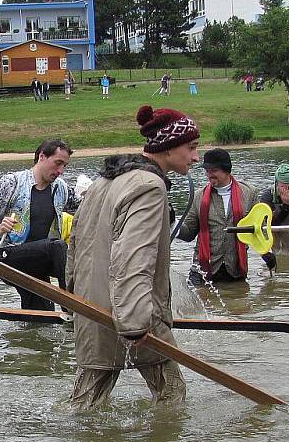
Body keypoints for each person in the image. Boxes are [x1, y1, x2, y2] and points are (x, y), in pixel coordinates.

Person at [66, 105, 199, 409]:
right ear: (167, 147)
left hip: (92, 309)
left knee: (84, 406)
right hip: (132, 317)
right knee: (172, 396)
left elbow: (75, 244)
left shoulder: (104, 182)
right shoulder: (149, 187)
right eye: (190, 147)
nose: (195, 157)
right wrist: (137, 323)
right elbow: (132, 259)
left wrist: (73, 301)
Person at [0, 139, 72, 310]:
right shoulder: (12, 183)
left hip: (41, 260)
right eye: (58, 163)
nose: (60, 171)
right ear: (42, 157)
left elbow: (86, 206)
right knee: (59, 246)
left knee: (41, 319)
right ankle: (70, 305)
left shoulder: (61, 188)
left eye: (65, 166)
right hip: (8, 256)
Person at [179, 148, 275, 286]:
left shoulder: (249, 193)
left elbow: (259, 230)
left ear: (226, 169)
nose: (209, 174)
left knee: (240, 306)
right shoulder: (198, 197)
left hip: (236, 272)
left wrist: (267, 252)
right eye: (207, 170)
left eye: (213, 171)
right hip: (203, 273)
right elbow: (188, 233)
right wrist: (171, 223)